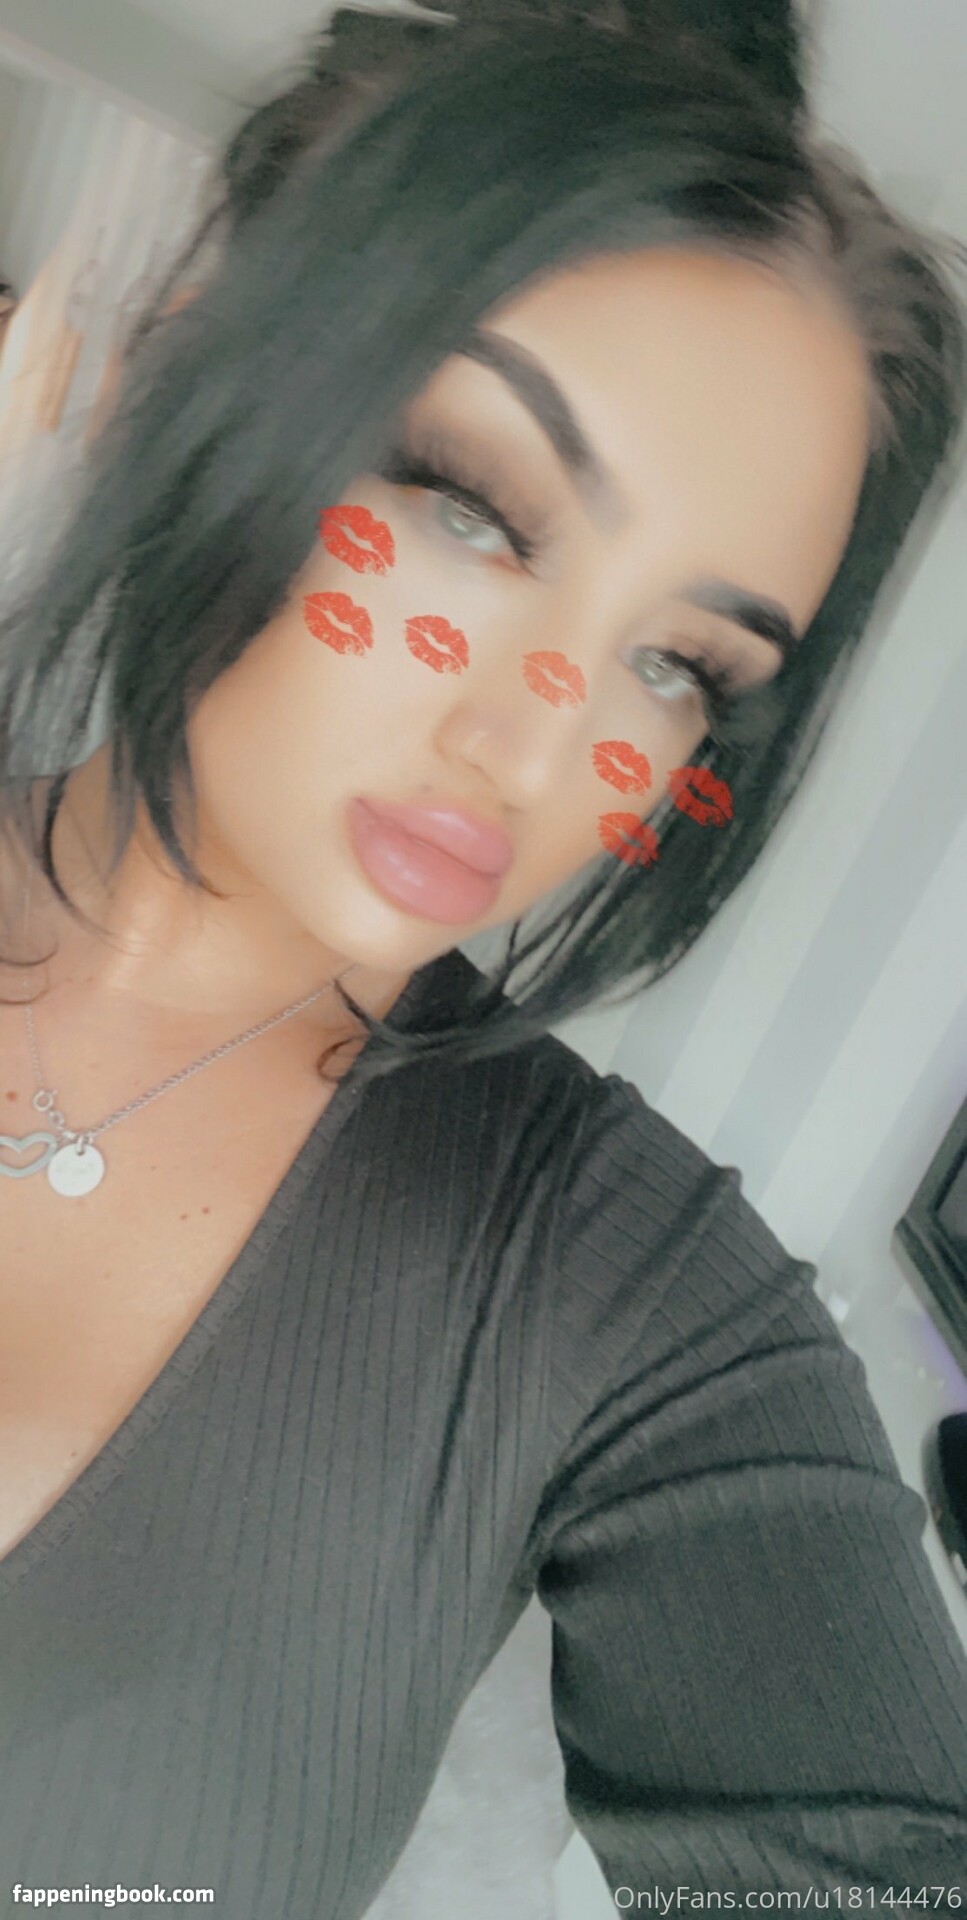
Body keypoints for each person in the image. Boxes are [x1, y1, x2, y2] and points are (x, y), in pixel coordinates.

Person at [0, 1, 966, 1913]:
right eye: (470, 509)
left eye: (679, 662)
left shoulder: (634, 1303)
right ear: (186, 359)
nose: (535, 741)